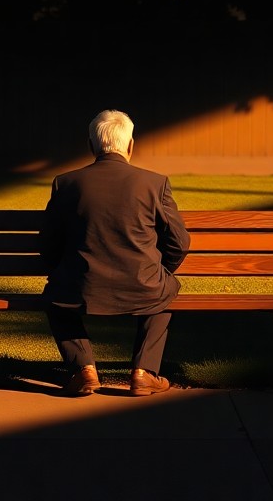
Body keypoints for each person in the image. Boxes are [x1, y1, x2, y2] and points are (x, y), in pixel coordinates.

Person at [39, 109, 191, 396]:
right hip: (143, 284)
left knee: (55, 294)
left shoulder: (66, 183)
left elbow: (48, 242)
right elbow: (179, 242)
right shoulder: (154, 184)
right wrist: (162, 270)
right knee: (165, 290)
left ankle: (83, 368)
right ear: (130, 146)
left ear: (91, 146)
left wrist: (61, 269)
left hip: (80, 287)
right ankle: (144, 372)